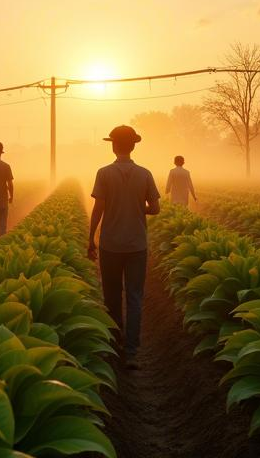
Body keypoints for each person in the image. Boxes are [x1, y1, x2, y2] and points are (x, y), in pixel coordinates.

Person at [87, 125, 160, 369]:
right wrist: (141, 208)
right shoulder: (145, 174)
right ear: (133, 146)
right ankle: (131, 350)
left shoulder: (104, 173)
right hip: (137, 245)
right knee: (135, 297)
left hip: (110, 245)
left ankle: (114, 344)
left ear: (113, 145)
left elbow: (99, 208)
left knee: (112, 296)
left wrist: (91, 239)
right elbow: (156, 208)